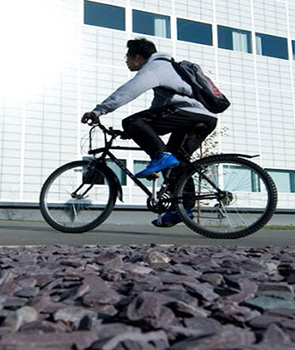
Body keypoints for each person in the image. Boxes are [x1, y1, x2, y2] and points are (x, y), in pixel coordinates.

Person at [82, 38, 218, 227]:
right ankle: (182, 210)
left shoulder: (155, 67)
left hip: (190, 114)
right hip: (204, 118)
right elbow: (159, 108)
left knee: (132, 122)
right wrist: (134, 132)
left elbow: (129, 91)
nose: (126, 61)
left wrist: (99, 110)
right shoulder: (167, 69)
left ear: (137, 57)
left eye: (127, 57)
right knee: (178, 161)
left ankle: (161, 157)